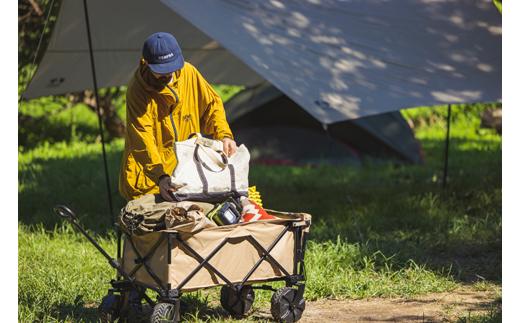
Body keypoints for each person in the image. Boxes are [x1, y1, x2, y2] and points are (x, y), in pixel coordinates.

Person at [119, 32, 237, 202]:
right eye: (161, 71)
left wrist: (224, 135)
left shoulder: (189, 73)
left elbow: (212, 105)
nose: (168, 74)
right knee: (153, 224)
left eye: (172, 67)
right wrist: (160, 177)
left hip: (187, 170)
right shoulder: (137, 91)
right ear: (146, 63)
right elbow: (142, 139)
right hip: (150, 176)